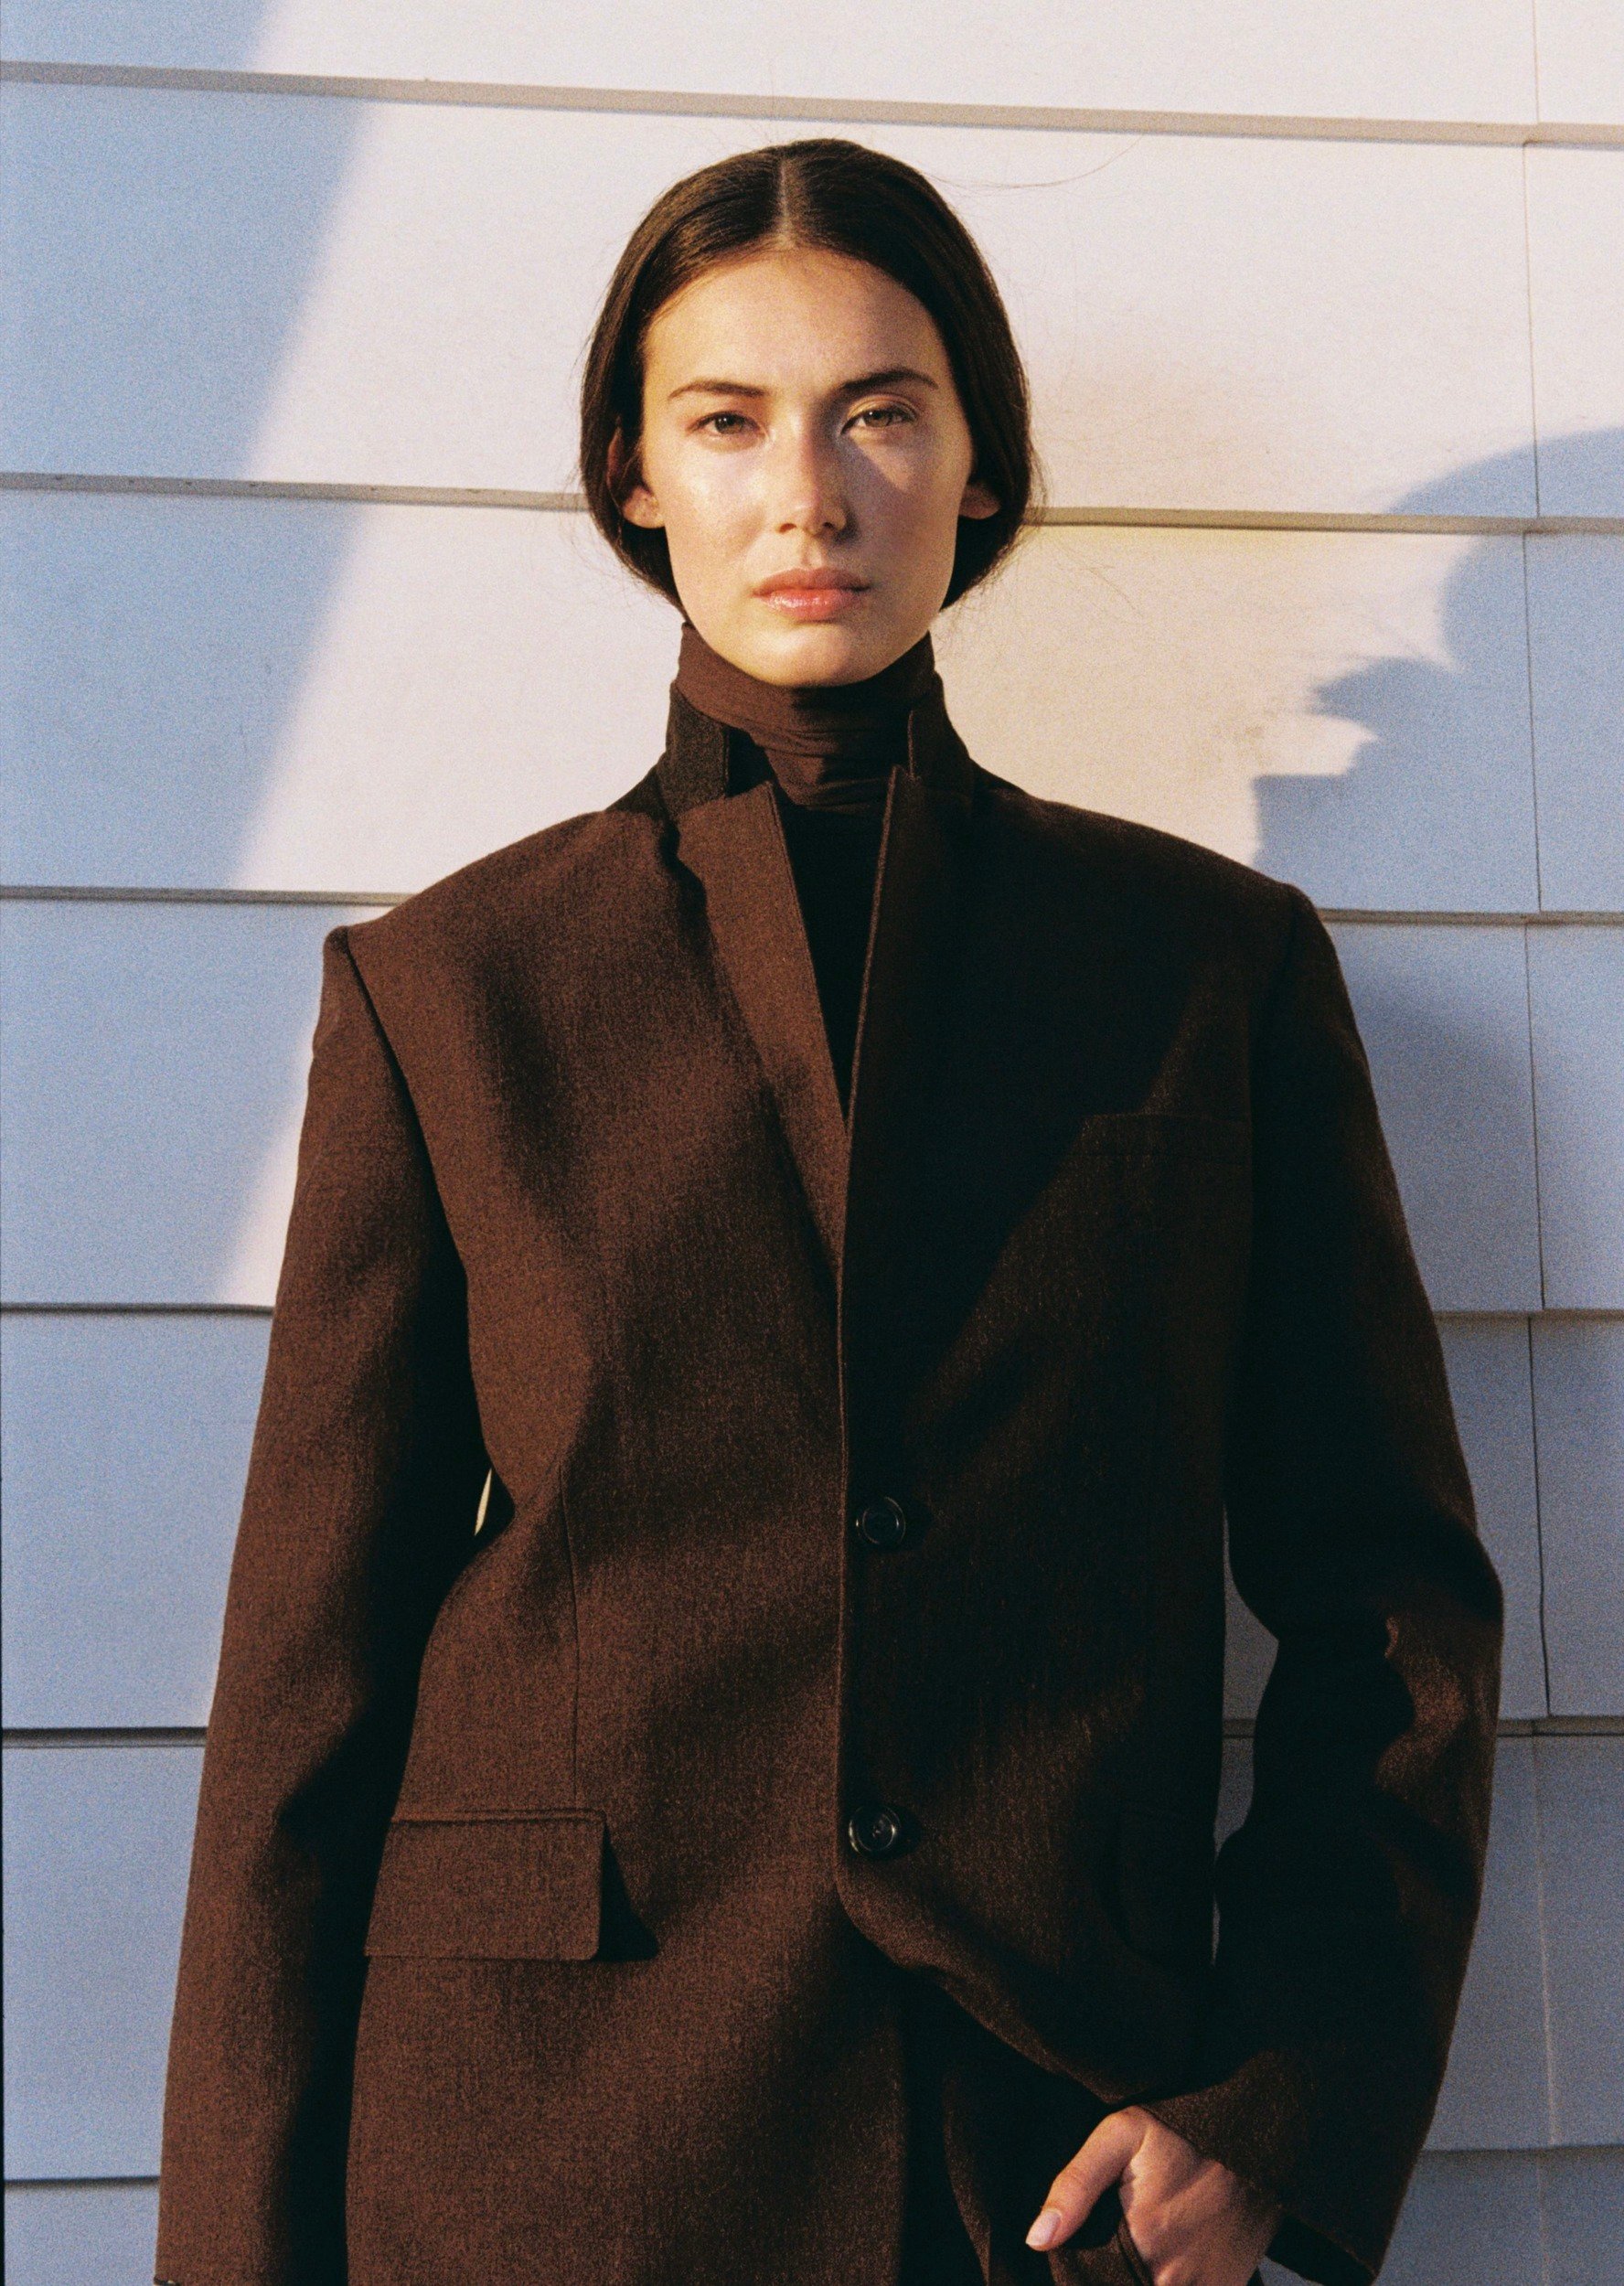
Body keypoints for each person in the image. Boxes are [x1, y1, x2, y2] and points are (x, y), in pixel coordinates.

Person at [154, 138, 1503, 2286]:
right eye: (729, 420)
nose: (811, 494)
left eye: (881, 412)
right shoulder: (454, 992)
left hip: (1043, 2142)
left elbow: (1389, 1604)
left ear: (982, 464)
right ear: (634, 476)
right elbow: (301, 1704)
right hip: (543, 2156)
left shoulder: (1204, 975)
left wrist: (1277, 2099)